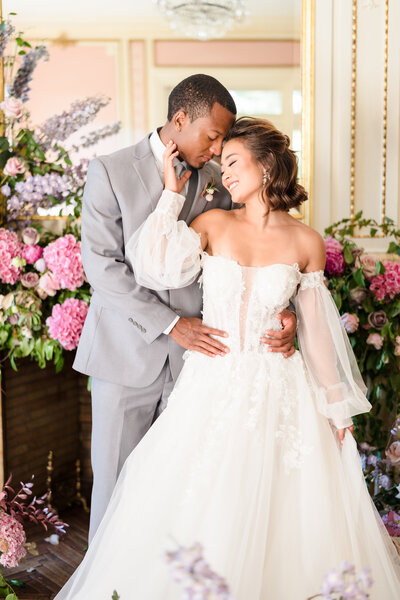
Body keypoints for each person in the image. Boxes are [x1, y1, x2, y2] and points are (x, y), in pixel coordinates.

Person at [56, 117, 400, 599]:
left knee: (284, 511)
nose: (225, 173)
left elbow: (319, 332)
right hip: (210, 383)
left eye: (234, 162)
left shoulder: (307, 242)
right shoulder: (213, 222)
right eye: (222, 163)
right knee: (200, 504)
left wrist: (337, 409)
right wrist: (172, 195)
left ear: (267, 165)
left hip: (280, 391)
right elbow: (154, 267)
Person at [73, 74, 297, 542]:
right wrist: (172, 324)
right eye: (212, 136)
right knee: (116, 486)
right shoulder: (110, 170)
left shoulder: (221, 180)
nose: (217, 150)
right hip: (126, 358)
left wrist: (283, 310)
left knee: (182, 492)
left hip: (201, 368)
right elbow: (102, 267)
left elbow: (258, 251)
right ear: (179, 119)